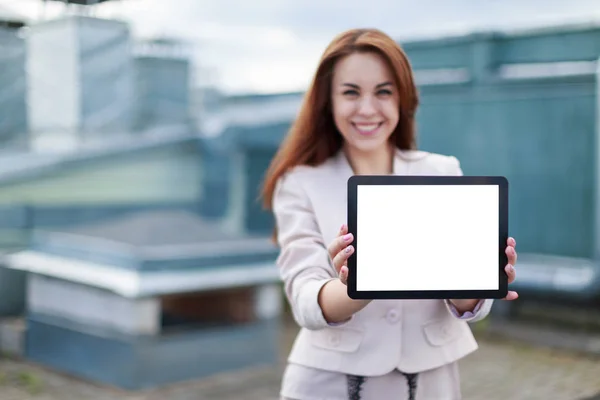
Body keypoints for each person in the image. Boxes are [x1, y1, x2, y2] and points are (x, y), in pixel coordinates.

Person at [261, 28, 518, 400]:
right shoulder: (300, 182)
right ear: (327, 102)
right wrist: (357, 284)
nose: (367, 109)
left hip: (431, 382)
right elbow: (304, 297)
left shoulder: (442, 172)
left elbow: (468, 305)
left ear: (403, 99)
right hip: (329, 383)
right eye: (351, 92)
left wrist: (478, 283)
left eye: (384, 91)